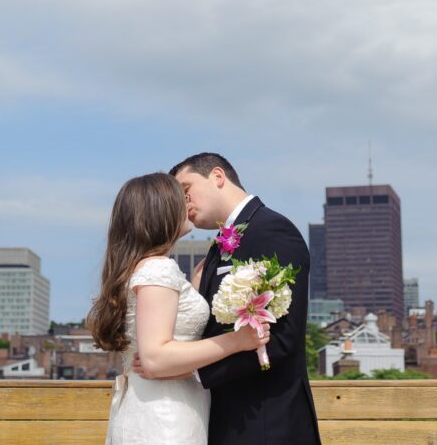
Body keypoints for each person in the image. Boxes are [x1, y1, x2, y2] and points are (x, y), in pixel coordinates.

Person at [135, 153, 322, 445]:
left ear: (218, 177)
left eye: (186, 191)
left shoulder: (271, 230)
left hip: (265, 425)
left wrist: (189, 370)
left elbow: (281, 339)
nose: (183, 205)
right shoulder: (218, 248)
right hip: (223, 420)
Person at [88, 172, 270, 445]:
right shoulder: (158, 269)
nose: (188, 204)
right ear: (161, 210)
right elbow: (155, 358)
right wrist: (237, 340)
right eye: (180, 198)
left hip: (158, 412)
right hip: (165, 421)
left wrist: (194, 290)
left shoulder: (144, 268)